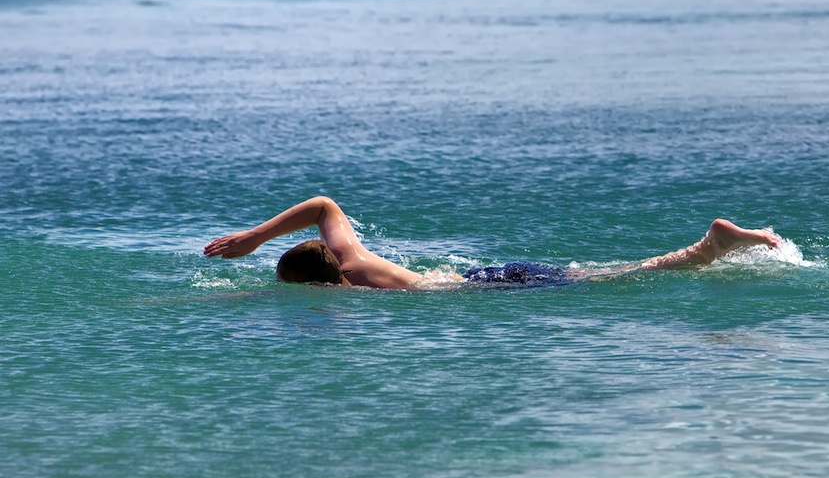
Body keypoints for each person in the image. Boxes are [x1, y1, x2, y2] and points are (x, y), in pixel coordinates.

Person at [203, 195, 781, 289]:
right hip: (492, 274)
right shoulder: (349, 256)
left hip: (493, 289)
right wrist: (255, 239)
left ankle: (710, 248)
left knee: (621, 277)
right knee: (613, 269)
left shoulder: (351, 296)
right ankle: (713, 246)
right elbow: (324, 205)